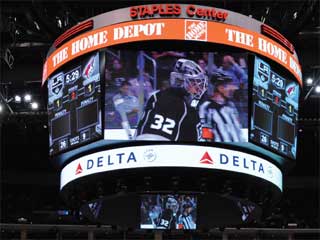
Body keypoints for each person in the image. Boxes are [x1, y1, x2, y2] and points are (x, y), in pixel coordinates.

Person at [135, 58, 208, 141]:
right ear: (182, 81)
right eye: (194, 83)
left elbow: (140, 129)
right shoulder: (188, 110)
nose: (198, 89)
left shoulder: (155, 97)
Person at [199, 73, 244, 142]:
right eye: (228, 86)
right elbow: (205, 134)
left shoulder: (231, 106)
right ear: (220, 88)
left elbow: (238, 129)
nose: (231, 89)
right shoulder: (206, 107)